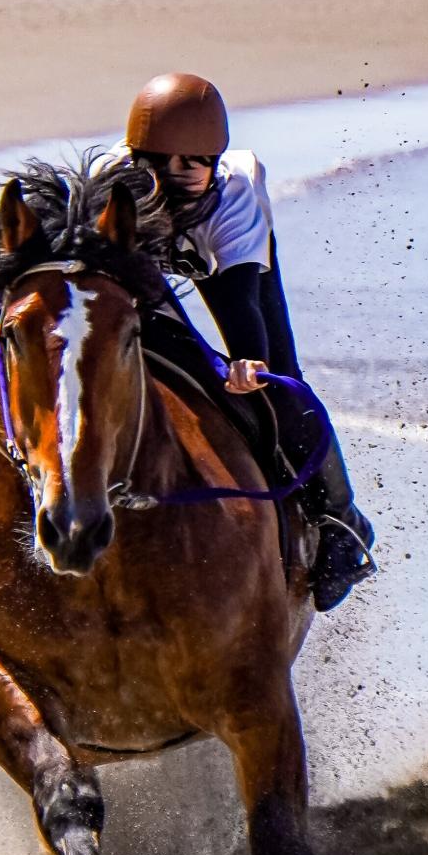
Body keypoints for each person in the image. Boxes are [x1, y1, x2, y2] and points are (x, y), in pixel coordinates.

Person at [114, 71, 376, 612]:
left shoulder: (234, 197)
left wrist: (245, 359)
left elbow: (239, 300)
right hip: (142, 261)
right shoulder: (109, 184)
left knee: (278, 378)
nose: (175, 175)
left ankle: (342, 526)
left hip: (225, 262)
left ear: (215, 160)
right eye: (159, 162)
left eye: (193, 163)